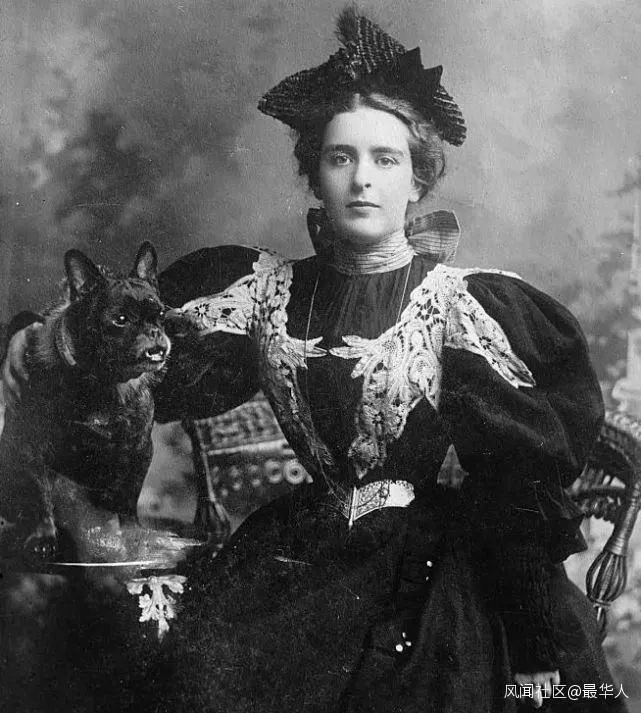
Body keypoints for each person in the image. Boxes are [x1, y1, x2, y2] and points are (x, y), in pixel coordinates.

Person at [1, 8, 625, 713]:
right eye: (340, 157)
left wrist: (536, 641)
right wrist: (38, 345)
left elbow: (518, 482)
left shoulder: (461, 305)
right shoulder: (259, 291)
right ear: (315, 176)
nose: (362, 180)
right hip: (301, 552)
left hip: (432, 572)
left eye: (385, 159)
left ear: (417, 180)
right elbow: (124, 348)